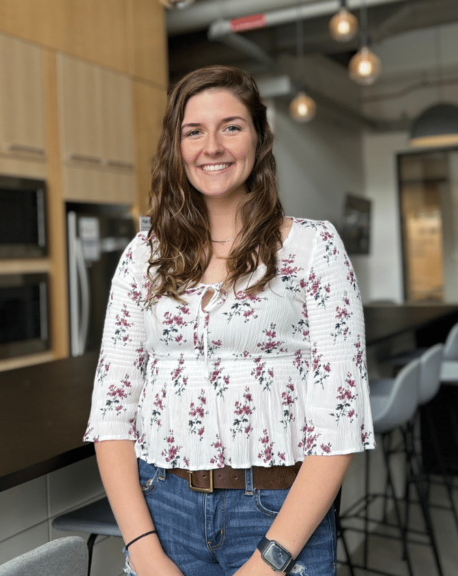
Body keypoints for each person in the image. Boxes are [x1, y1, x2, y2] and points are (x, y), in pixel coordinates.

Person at [84, 65, 373, 576]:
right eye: (194, 131)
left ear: (258, 138)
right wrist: (144, 549)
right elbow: (112, 410)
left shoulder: (313, 248)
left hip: (276, 511)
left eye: (231, 127)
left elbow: (339, 424)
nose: (211, 146)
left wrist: (272, 559)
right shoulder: (142, 257)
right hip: (162, 507)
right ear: (177, 147)